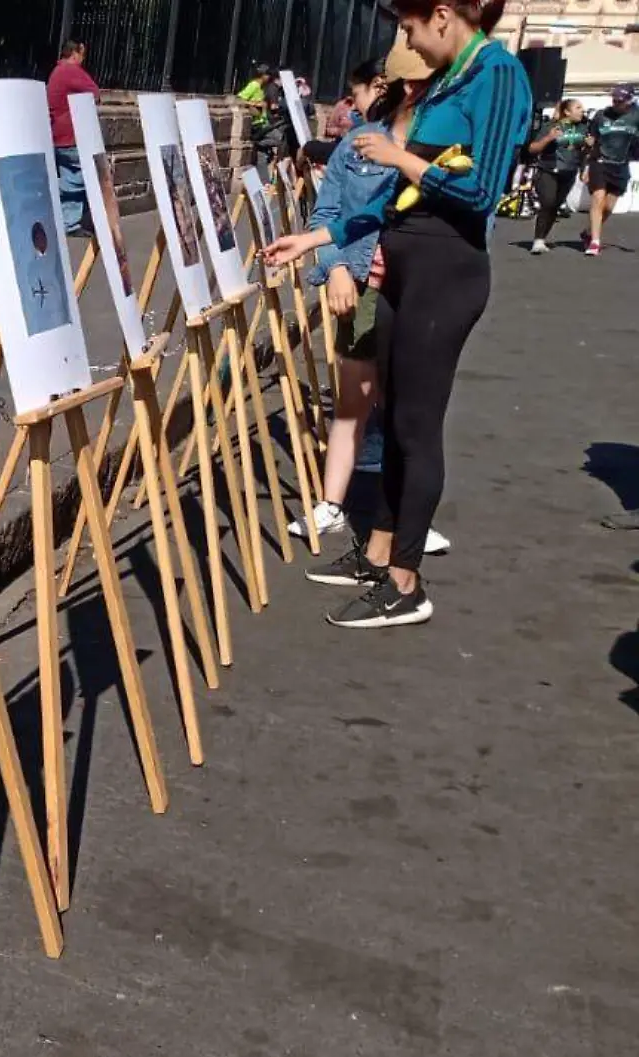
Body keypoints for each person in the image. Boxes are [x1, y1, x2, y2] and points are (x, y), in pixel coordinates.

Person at [264, 6, 531, 628]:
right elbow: (392, 201)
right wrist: (316, 240)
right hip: (404, 265)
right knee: (391, 413)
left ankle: (407, 581)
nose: (405, 41)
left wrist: (399, 157)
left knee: (415, 424)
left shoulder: (496, 73)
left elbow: (481, 191)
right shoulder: (450, 78)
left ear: (442, 14)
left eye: (409, 27)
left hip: (446, 272)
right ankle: (380, 550)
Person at [290, 52, 457, 552]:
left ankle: (405, 517)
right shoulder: (359, 142)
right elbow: (330, 209)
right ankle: (332, 504)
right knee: (355, 397)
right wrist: (337, 265)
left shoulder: (445, 145)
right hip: (366, 283)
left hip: (421, 288)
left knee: (409, 406)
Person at [46, 39, 100, 235]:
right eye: (82, 54)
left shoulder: (57, 71)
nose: (83, 60)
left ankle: (69, 222)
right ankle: (82, 221)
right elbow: (94, 93)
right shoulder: (71, 71)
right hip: (71, 136)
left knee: (71, 177)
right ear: (77, 52)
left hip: (58, 136)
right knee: (89, 175)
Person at [527, 99, 589, 252]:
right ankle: (538, 241)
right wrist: (548, 138)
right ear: (567, 112)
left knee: (555, 206)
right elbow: (532, 149)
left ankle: (543, 238)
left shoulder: (583, 128)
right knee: (548, 202)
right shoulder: (550, 126)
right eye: (578, 108)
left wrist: (584, 168)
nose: (583, 110)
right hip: (548, 170)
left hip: (569, 172)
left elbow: (582, 153)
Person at [583, 84, 637, 256]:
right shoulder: (601, 115)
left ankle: (588, 232)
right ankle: (595, 242)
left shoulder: (636, 115)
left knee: (608, 207)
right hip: (599, 162)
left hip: (620, 164)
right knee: (598, 198)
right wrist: (585, 165)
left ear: (629, 100)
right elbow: (590, 138)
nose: (615, 103)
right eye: (614, 99)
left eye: (619, 101)